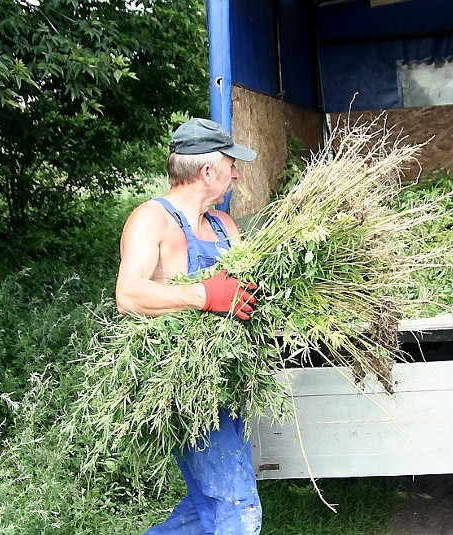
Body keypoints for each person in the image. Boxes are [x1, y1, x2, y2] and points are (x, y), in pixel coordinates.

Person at [115, 118, 262, 534]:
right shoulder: (152, 221)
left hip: (228, 379)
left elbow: (248, 285)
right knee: (237, 504)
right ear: (207, 171)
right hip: (185, 385)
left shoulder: (223, 225)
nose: (236, 173)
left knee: (205, 508)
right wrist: (203, 295)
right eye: (231, 164)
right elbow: (128, 295)